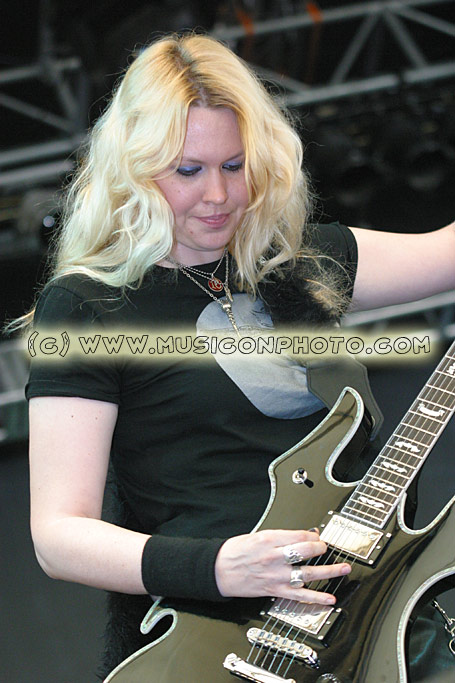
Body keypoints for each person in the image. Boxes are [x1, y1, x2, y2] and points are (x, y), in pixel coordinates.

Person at [20, 33, 454, 681]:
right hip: (221, 639)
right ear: (133, 169)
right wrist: (219, 567)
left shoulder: (304, 263)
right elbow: (58, 535)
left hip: (377, 622)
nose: (219, 194)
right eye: (187, 171)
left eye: (234, 164)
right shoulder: (88, 306)